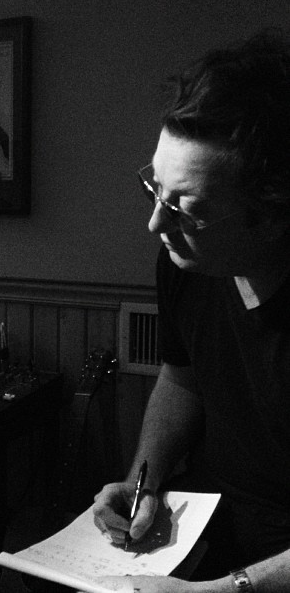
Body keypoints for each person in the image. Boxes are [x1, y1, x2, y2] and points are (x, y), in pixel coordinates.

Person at [92, 30, 290, 592]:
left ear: (272, 216)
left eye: (187, 208)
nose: (156, 223)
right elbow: (183, 379)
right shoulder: (185, 262)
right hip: (206, 524)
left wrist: (223, 592)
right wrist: (143, 482)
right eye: (155, 188)